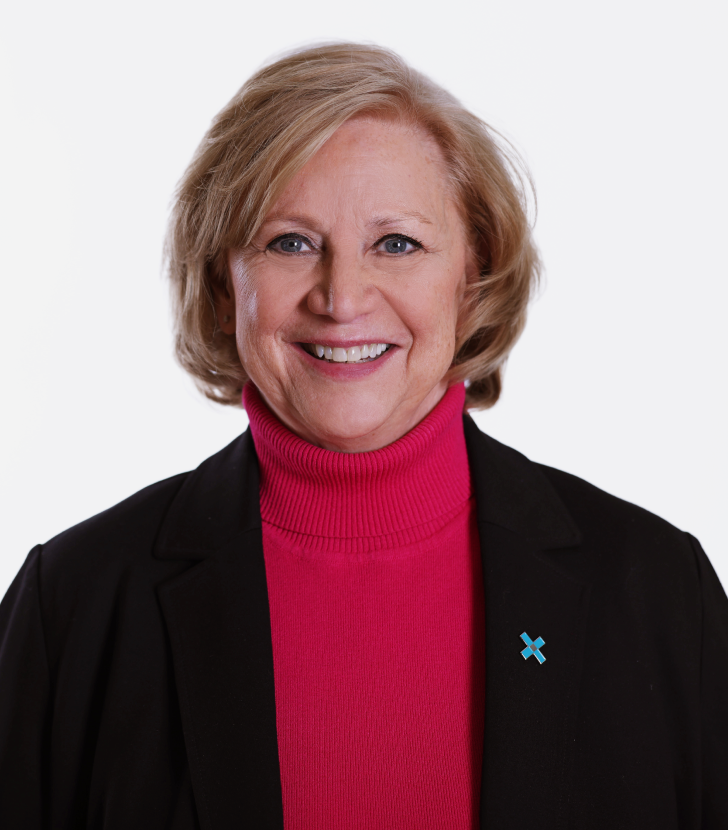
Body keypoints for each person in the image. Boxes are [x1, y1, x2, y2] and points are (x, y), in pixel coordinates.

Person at [0, 41, 726, 830]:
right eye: (290, 243)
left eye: (397, 244)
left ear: (472, 273)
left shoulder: (659, 593)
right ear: (223, 280)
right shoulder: (74, 604)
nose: (343, 298)